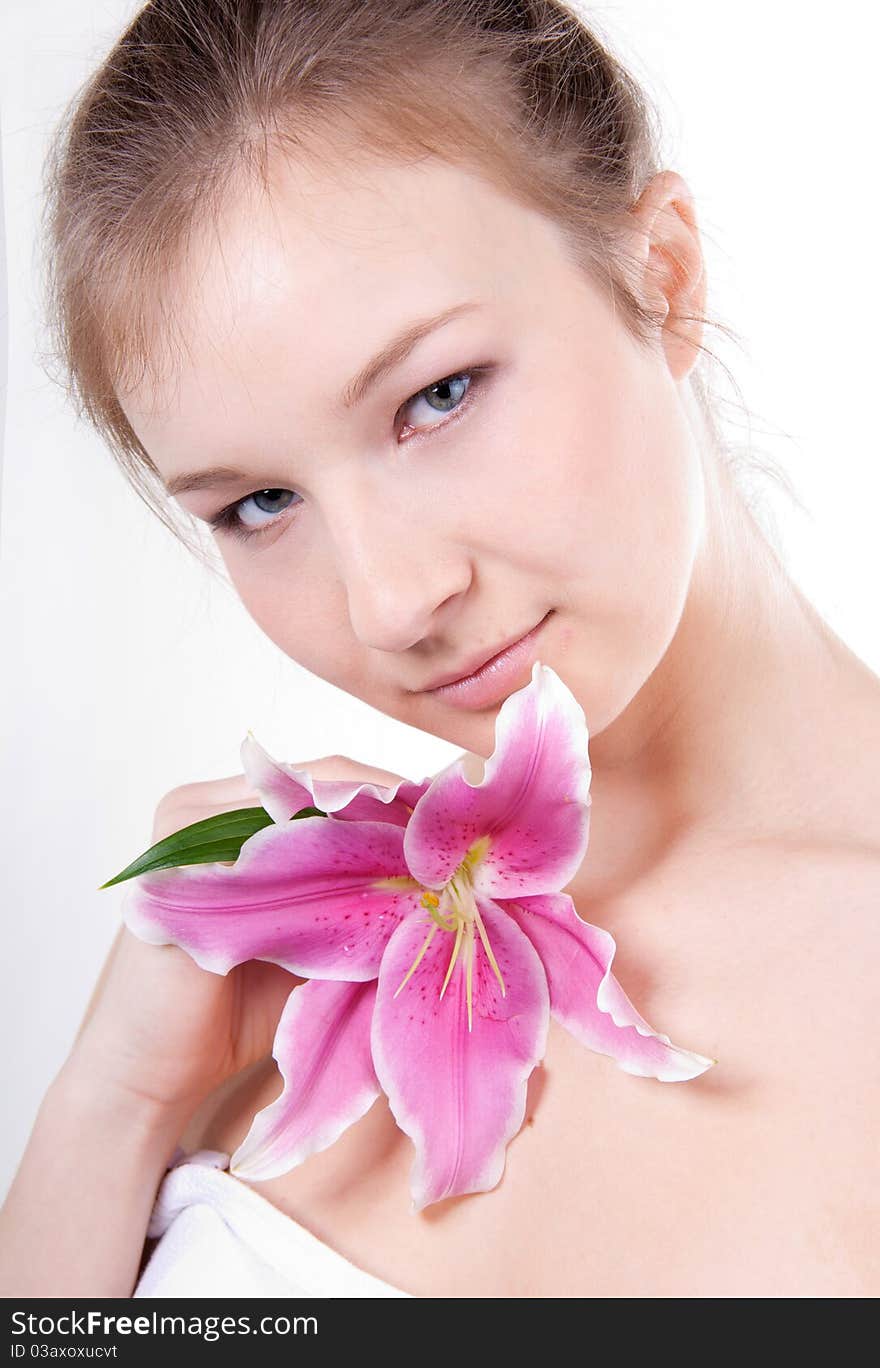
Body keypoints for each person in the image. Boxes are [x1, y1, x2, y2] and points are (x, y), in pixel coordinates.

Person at [1, 0, 877, 1299]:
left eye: (438, 396)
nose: (391, 602)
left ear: (665, 277)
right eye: (258, 503)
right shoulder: (243, 988)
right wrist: (110, 1105)